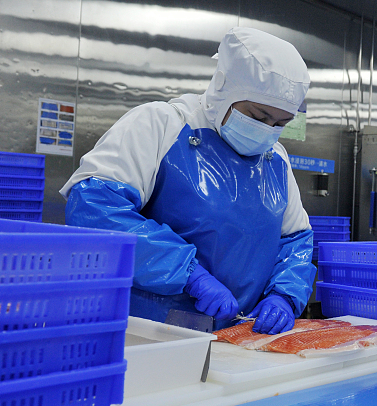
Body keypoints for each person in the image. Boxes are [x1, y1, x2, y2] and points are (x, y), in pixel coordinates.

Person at [59, 28, 316, 334]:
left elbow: (296, 240)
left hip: (235, 338)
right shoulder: (161, 126)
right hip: (143, 333)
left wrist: (284, 295)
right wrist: (189, 273)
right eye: (258, 116)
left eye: (280, 124)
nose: (267, 130)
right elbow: (94, 209)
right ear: (225, 88)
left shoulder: (276, 160)